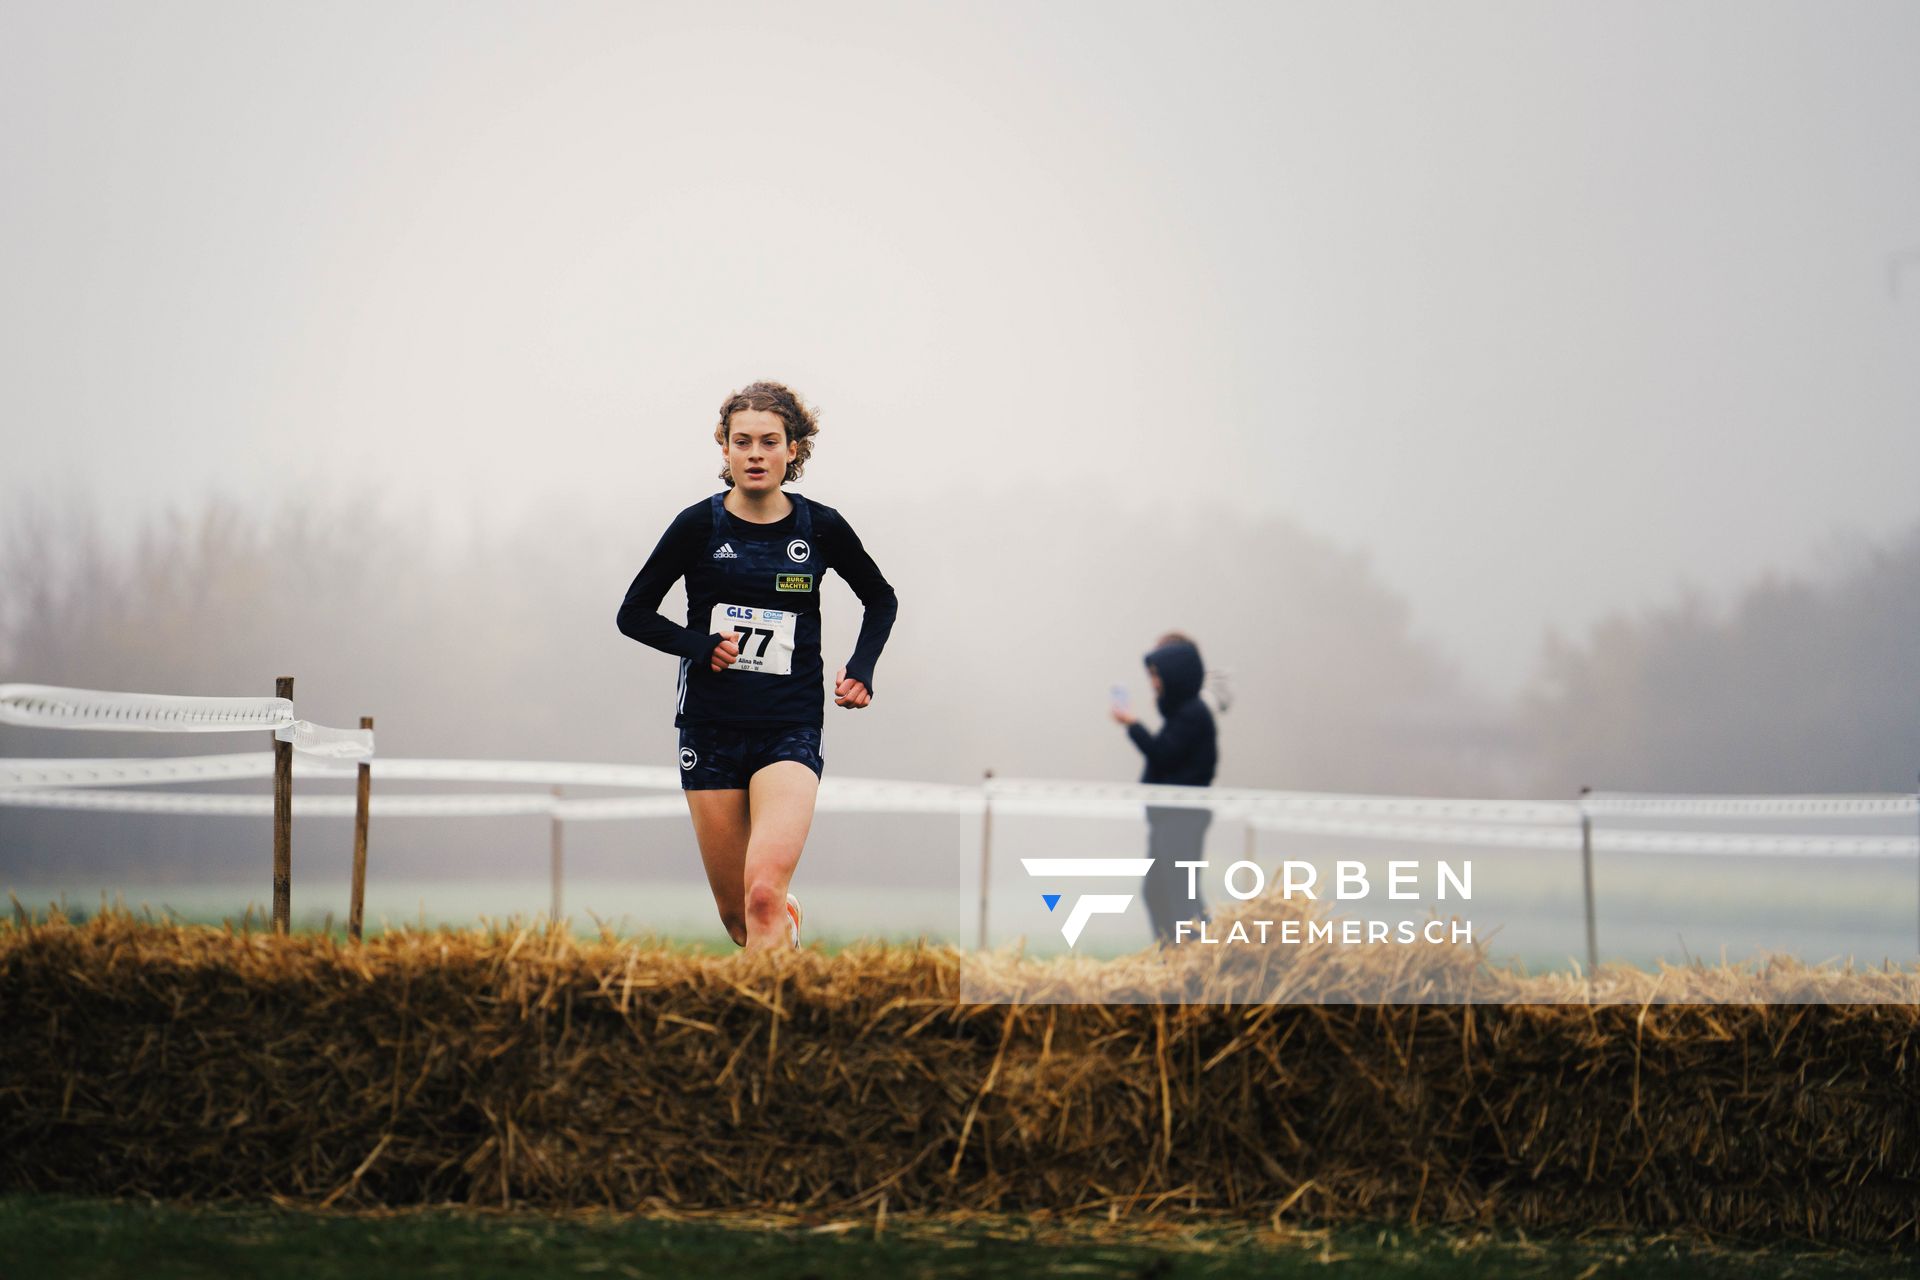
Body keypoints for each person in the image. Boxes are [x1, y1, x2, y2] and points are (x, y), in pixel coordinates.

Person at [617, 381, 897, 950]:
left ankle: (781, 1033)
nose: (755, 454)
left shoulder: (820, 527)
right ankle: (779, 936)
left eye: (769, 442)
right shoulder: (698, 525)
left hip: (788, 729)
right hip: (709, 728)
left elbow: (881, 597)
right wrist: (699, 645)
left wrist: (861, 669)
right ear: (724, 449)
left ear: (793, 450)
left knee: (763, 894)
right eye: (742, 441)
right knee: (739, 917)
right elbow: (634, 614)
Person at [1111, 632, 1218, 944]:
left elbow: (1163, 753)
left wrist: (1133, 725)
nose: (1154, 683)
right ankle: (1175, 957)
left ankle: (1198, 958)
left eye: (1157, 675)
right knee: (1159, 892)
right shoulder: (1185, 715)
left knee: (1179, 896)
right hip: (1170, 821)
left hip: (1182, 820)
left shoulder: (1193, 715)